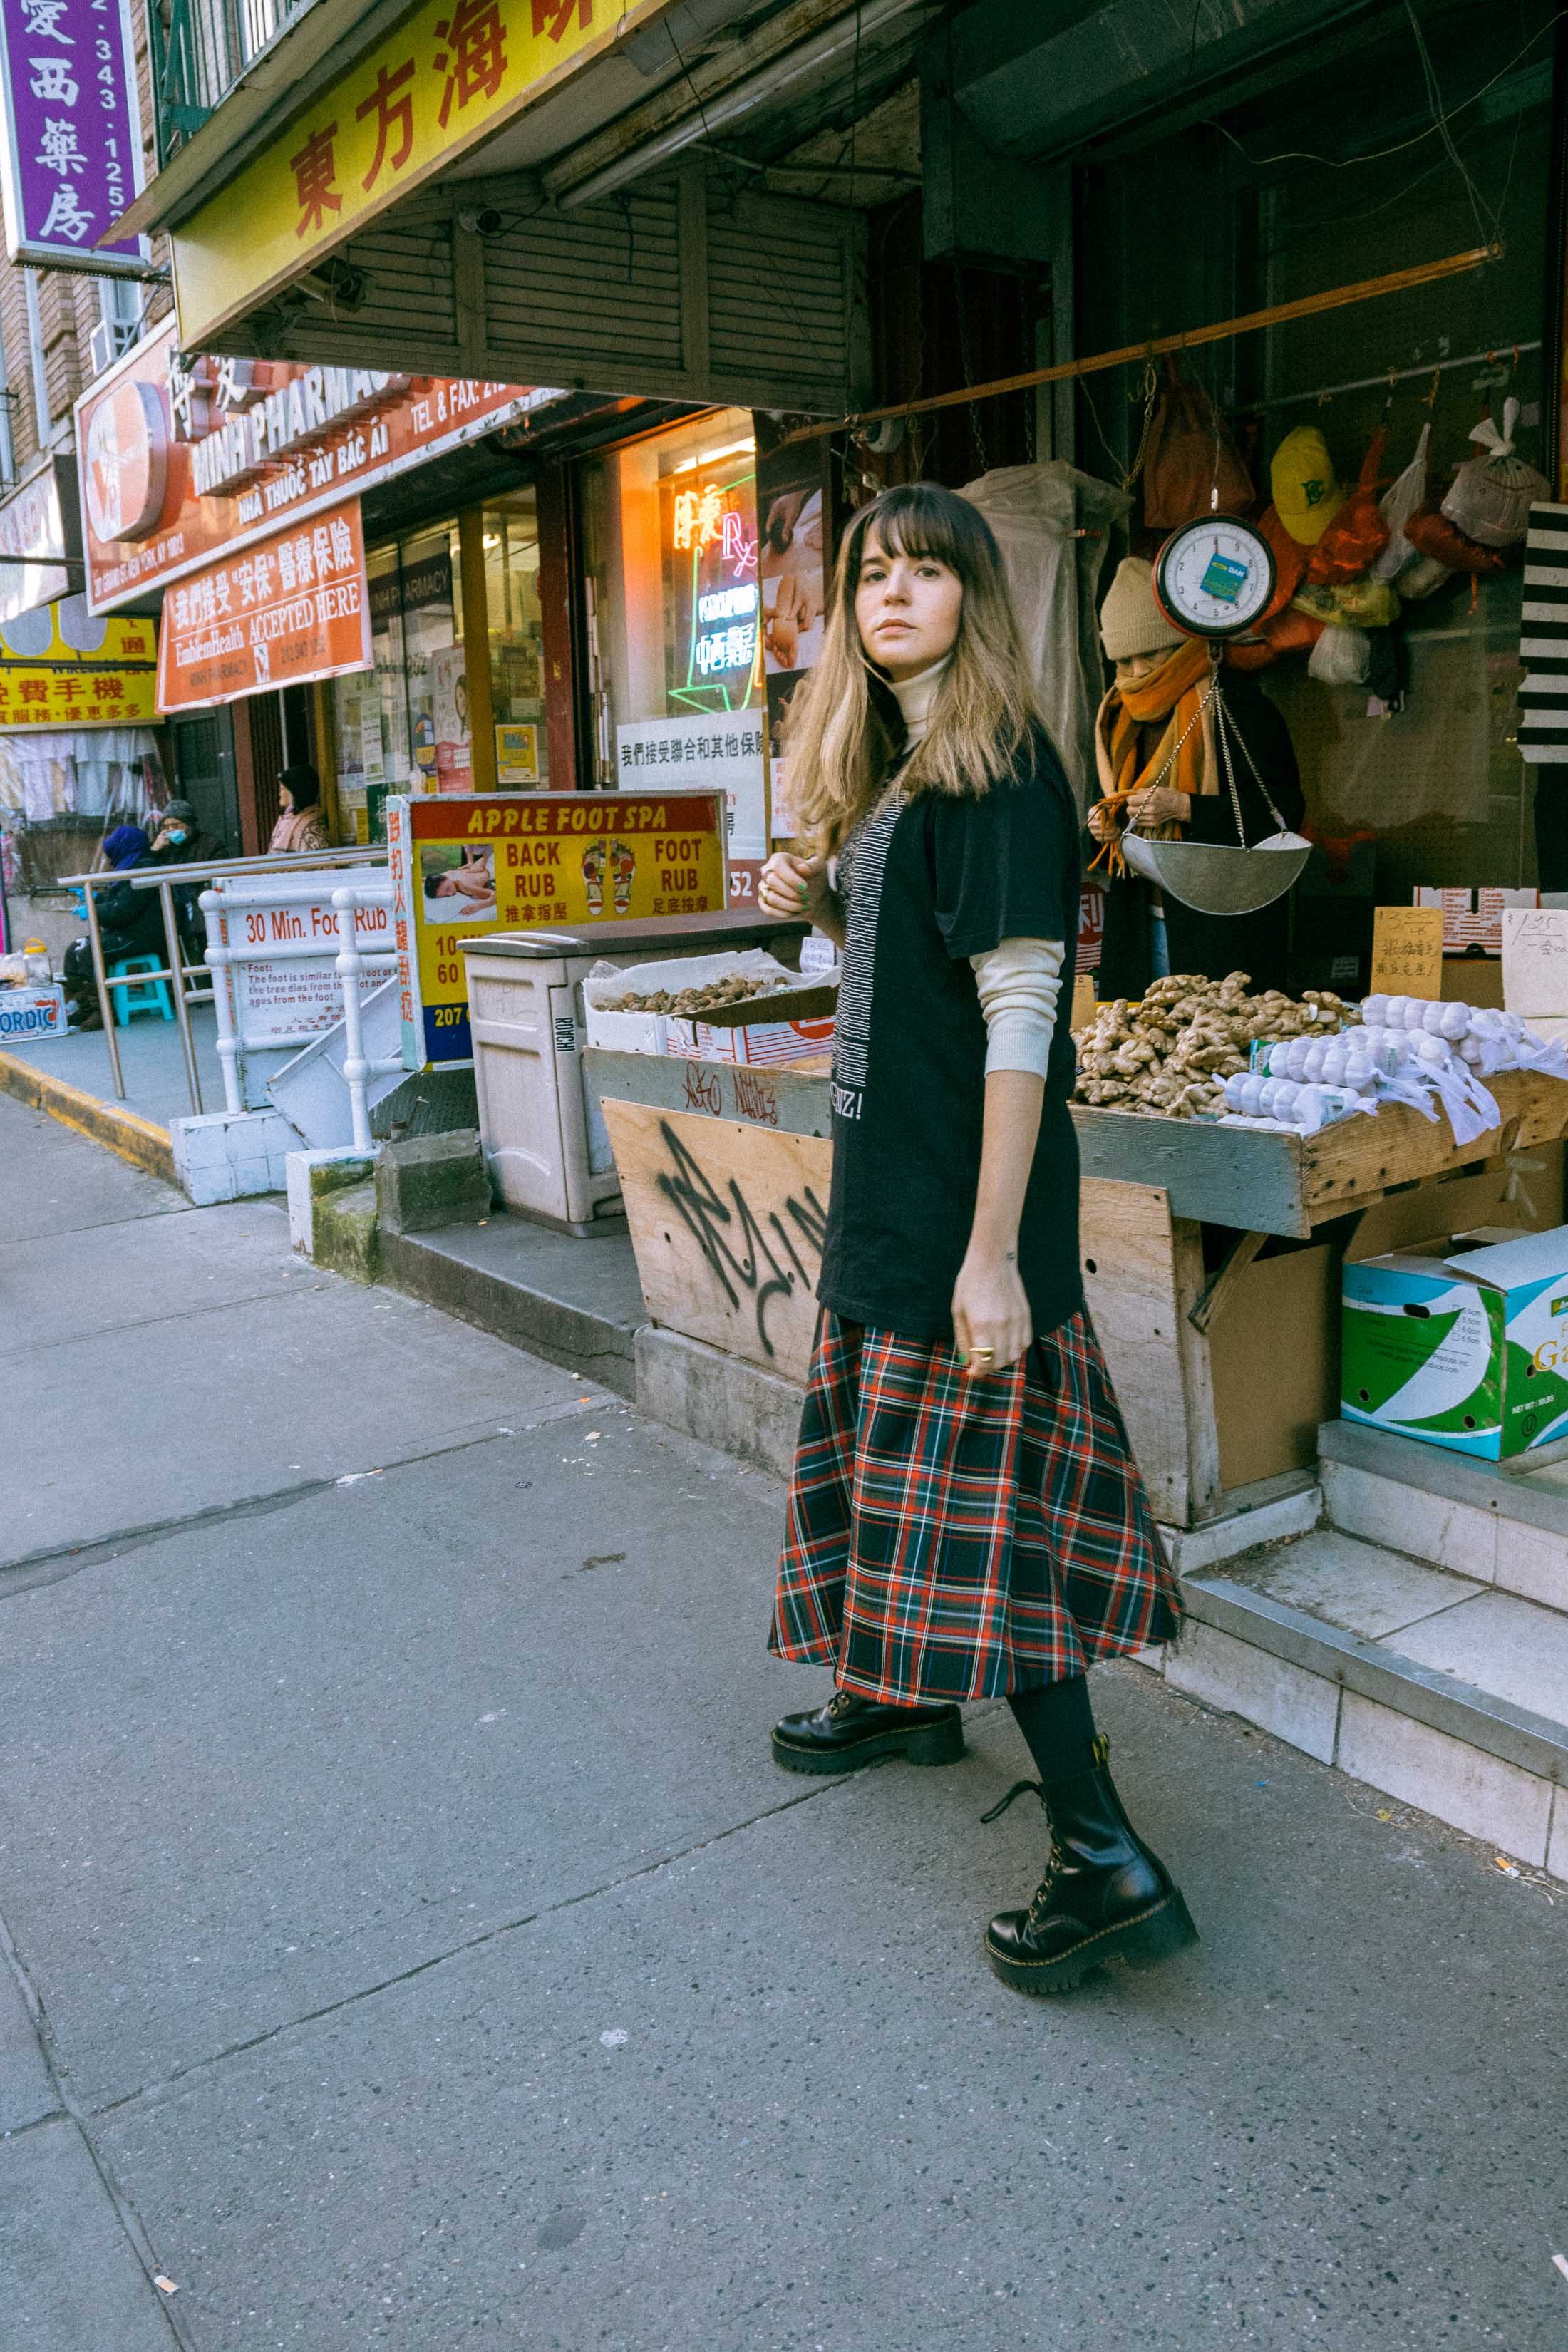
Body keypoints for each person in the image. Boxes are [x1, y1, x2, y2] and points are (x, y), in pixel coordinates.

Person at [757, 483, 1195, 1997]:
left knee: (987, 1540)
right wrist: (812, 903)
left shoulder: (999, 770)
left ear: (971, 599)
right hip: (900, 1193)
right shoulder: (896, 768)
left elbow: (1025, 1023)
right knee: (915, 1498)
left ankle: (1103, 1859)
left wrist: (991, 1253)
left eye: (922, 573)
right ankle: (898, 1694)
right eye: (868, 574)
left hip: (962, 1219)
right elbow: (909, 981)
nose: (888, 594)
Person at [1088, 557, 1305, 1001]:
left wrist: (1186, 807)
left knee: (1216, 1051)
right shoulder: (1118, 720)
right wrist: (1102, 826)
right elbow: (1115, 820)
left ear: (1184, 646)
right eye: (1123, 660)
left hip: (1223, 927)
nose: (1136, 673)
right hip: (1139, 924)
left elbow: (1285, 815)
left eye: (1150, 654)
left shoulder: (1242, 709)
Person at [63, 803, 216, 1027]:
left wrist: (94, 910)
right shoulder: (132, 867)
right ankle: (85, 1004)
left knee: (87, 951)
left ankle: (105, 1010)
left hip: (142, 935)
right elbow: (119, 901)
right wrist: (95, 899)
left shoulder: (142, 870)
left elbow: (123, 911)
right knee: (73, 949)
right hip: (130, 931)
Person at [269, 765, 329, 855]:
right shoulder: (286, 819)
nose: (280, 793)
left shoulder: (310, 824)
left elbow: (320, 864)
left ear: (295, 792)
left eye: (283, 789)